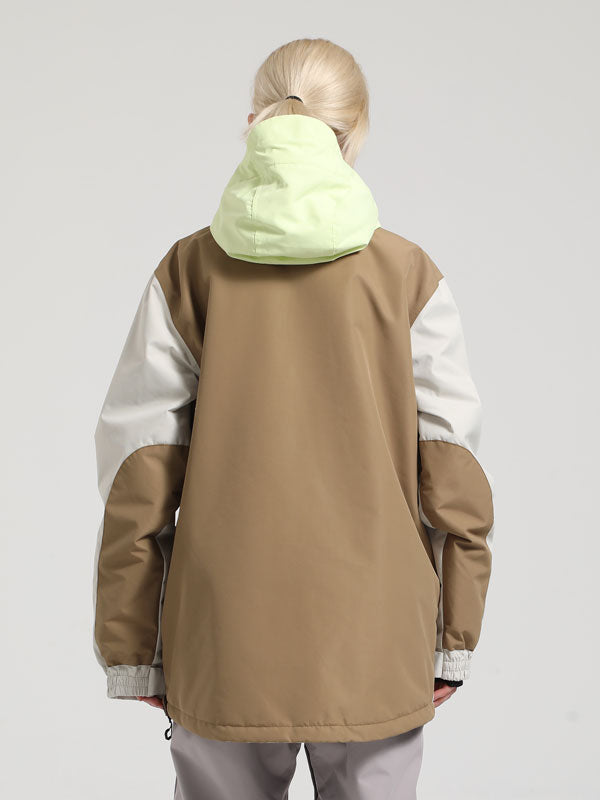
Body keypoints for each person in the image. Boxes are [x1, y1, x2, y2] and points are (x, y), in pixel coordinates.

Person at [92, 37, 495, 800]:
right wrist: (453, 638)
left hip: (222, 637)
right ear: (354, 132)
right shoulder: (409, 275)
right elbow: (453, 469)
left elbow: (138, 469)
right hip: (377, 638)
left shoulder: (188, 271)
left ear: (254, 120)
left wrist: (133, 644)